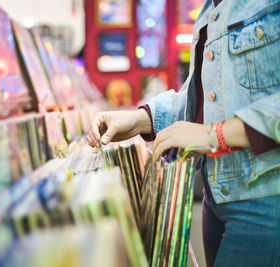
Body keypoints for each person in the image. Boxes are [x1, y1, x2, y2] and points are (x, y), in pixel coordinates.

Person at [87, 0, 280, 266]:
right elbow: (200, 96)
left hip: (265, 199)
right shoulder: (208, 10)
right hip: (216, 196)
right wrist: (139, 119)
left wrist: (215, 135)